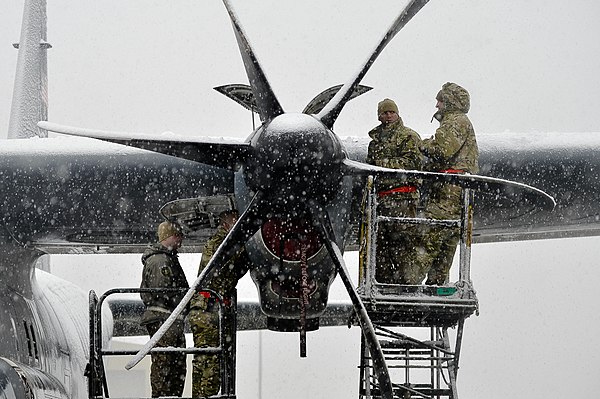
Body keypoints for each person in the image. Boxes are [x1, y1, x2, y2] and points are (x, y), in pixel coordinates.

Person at [421, 82, 479, 285]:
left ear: (449, 102)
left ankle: (410, 283)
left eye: (440, 100)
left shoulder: (455, 122)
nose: (437, 105)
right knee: (447, 240)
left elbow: (442, 150)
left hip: (448, 191)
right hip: (458, 191)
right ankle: (436, 285)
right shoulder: (462, 122)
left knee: (429, 237)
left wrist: (423, 144)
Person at [188, 209, 249, 398]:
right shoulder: (220, 242)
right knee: (209, 363)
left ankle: (203, 395)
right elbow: (230, 264)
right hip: (208, 310)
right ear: (226, 222)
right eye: (235, 220)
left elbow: (237, 269)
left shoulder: (226, 242)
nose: (238, 223)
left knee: (210, 360)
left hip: (212, 308)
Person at [366, 98, 425, 285]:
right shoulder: (374, 142)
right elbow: (369, 169)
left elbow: (412, 164)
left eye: (392, 112)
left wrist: (381, 166)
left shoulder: (409, 136)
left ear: (398, 114)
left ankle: (408, 285)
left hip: (403, 198)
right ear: (379, 116)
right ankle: (384, 285)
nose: (389, 116)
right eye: (385, 113)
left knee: (403, 245)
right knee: (380, 248)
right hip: (381, 201)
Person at [139, 221, 189, 397]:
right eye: (179, 236)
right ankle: (162, 395)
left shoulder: (165, 258)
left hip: (168, 319)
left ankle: (168, 395)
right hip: (164, 318)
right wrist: (184, 300)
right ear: (172, 236)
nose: (181, 240)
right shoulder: (161, 261)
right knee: (166, 364)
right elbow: (162, 291)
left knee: (173, 364)